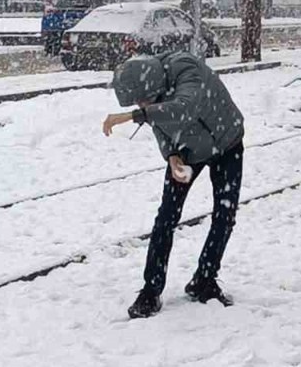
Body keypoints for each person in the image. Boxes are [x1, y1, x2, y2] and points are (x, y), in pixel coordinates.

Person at [103, 51, 245, 318]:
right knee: (166, 217)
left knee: (224, 215)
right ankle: (151, 290)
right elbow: (160, 124)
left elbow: (185, 107)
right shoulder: (153, 94)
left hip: (227, 143)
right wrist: (171, 155)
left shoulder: (186, 69)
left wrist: (132, 116)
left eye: (143, 100)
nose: (142, 104)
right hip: (188, 150)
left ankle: (204, 279)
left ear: (155, 85)